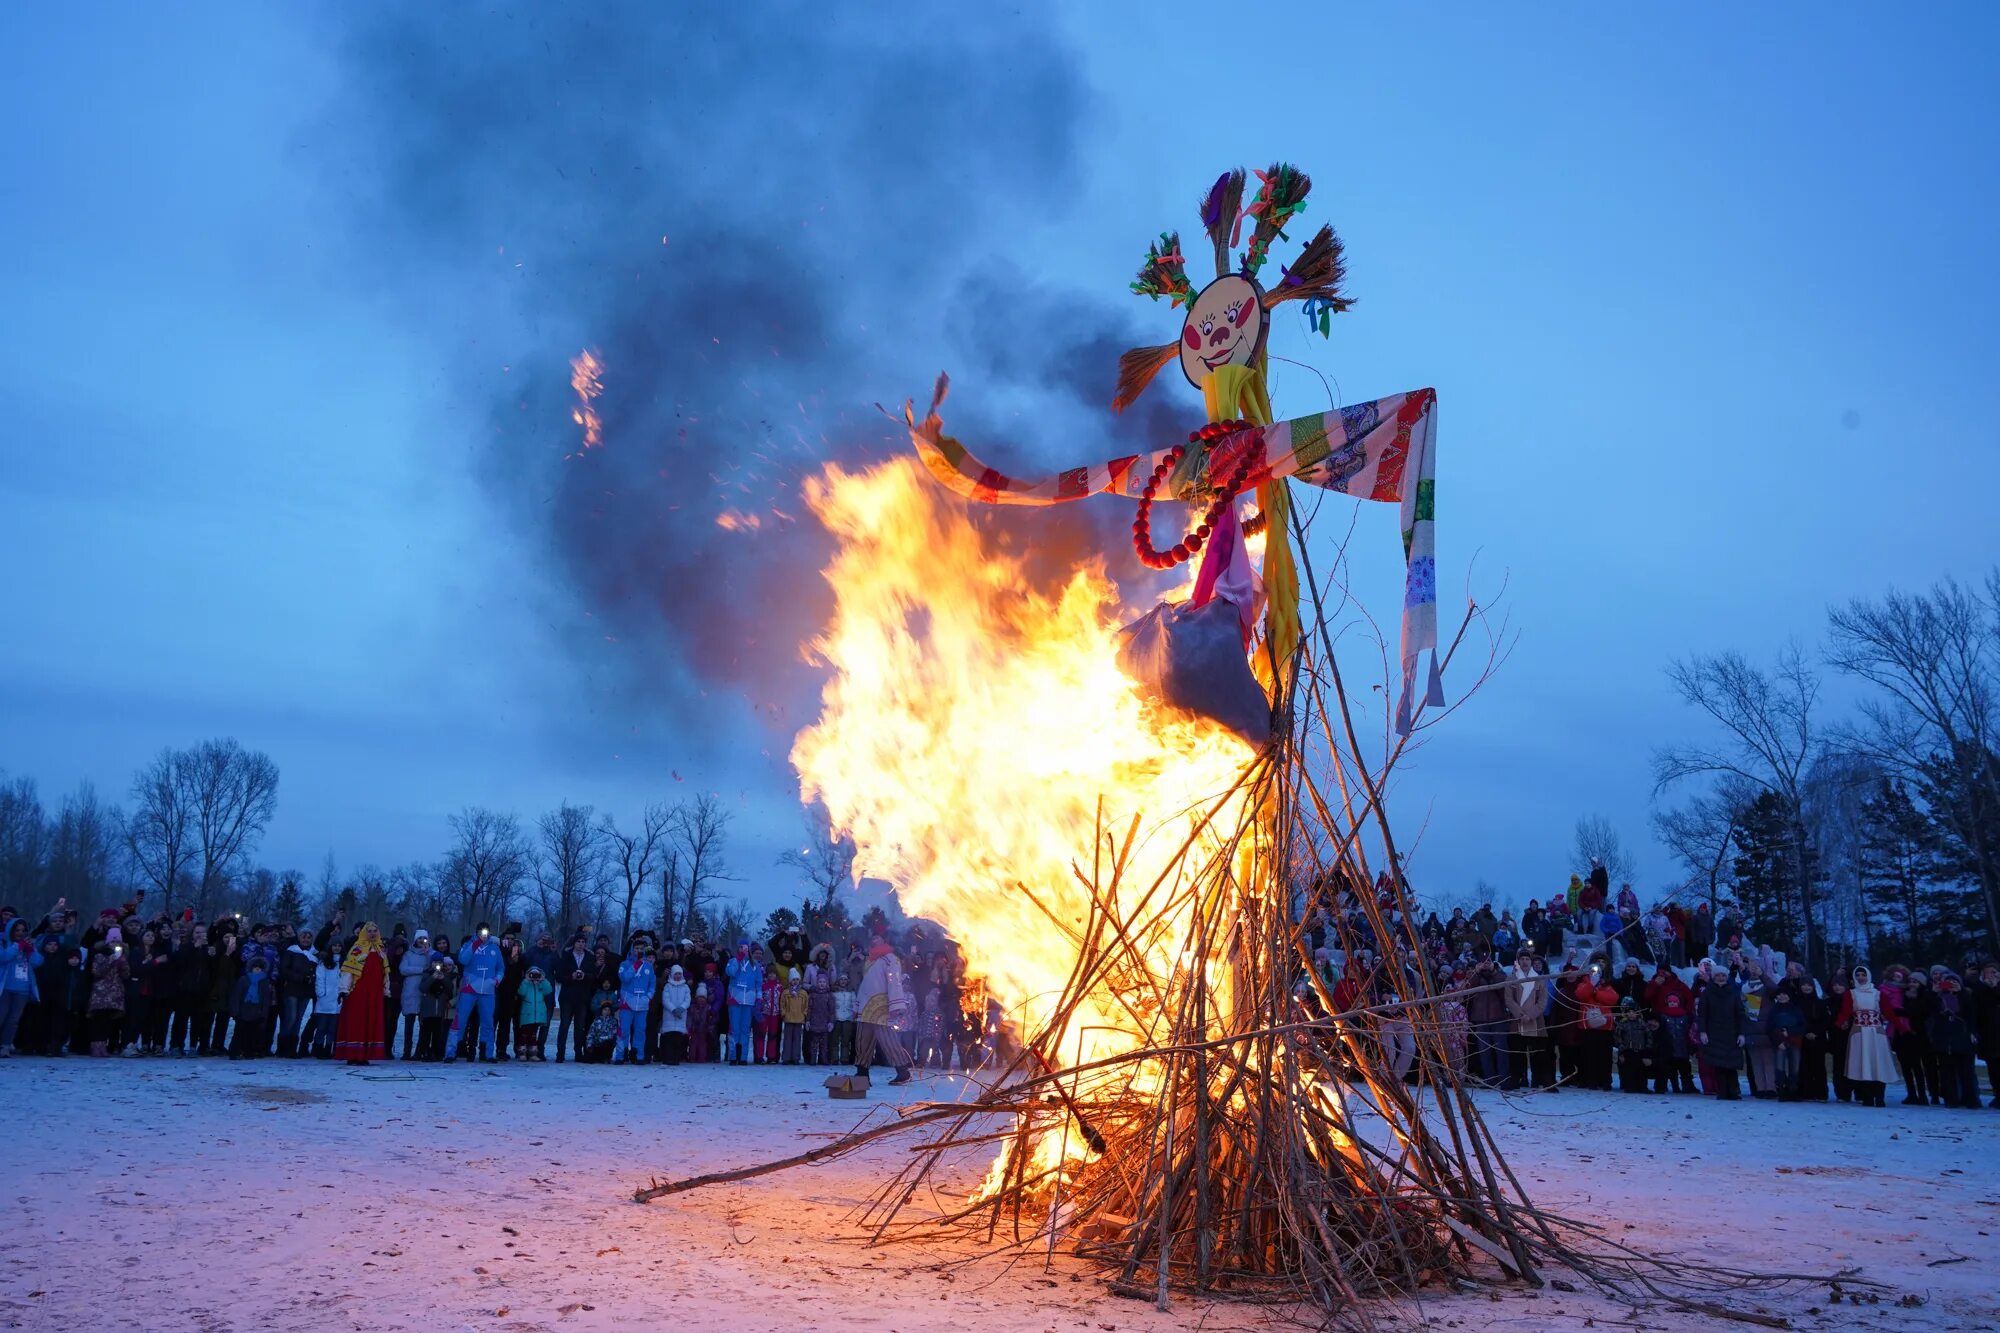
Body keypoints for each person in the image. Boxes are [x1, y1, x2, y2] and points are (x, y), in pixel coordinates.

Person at [853, 936, 914, 1085]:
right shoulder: (870, 960)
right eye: (872, 937)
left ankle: (903, 1072)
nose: (874, 940)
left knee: (888, 1039)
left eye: (878, 938)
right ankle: (862, 1074)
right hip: (866, 1006)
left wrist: (896, 1005)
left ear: (885, 941)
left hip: (881, 1005)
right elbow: (865, 984)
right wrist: (857, 1004)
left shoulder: (891, 959)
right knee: (862, 1039)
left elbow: (895, 984)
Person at [445, 924, 505, 1064]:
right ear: (477, 932)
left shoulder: (494, 948)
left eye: (486, 932)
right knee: (460, 1020)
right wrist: (476, 943)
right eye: (481, 932)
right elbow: (463, 960)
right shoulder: (469, 944)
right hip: (469, 988)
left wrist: (496, 981)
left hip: (488, 991)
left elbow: (501, 968)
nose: (484, 934)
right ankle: (451, 1052)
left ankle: (487, 1053)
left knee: (488, 1022)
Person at [1837, 965, 1895, 1107]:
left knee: (1879, 1063)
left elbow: (1889, 1013)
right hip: (1859, 1032)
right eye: (1858, 975)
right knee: (1863, 1063)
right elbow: (1846, 1011)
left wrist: (1903, 1028)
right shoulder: (1851, 994)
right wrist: (1837, 1024)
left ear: (1868, 976)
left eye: (1863, 975)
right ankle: (1867, 1097)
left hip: (1876, 1033)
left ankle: (1880, 1097)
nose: (1861, 978)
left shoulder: (1878, 993)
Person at [334, 923, 389, 1065]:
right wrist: (344, 989)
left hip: (374, 992)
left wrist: (386, 989)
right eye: (369, 931)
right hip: (358, 991)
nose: (372, 934)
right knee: (357, 1021)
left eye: (374, 931)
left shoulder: (380, 950)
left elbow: (385, 973)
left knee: (370, 1021)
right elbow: (348, 971)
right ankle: (353, 1054)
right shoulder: (357, 949)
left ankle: (365, 1054)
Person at [1694, 965, 1748, 1100]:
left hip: (1732, 1033)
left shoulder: (1734, 992)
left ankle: (1734, 1091)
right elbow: (1702, 1014)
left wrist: (1741, 1033)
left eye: (1723, 975)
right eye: (1717, 975)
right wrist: (1703, 1032)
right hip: (1714, 1032)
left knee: (1732, 1065)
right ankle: (1722, 1091)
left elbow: (1740, 1013)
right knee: (1719, 1065)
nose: (1720, 978)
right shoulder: (1707, 993)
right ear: (1713, 977)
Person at [1926, 972, 1979, 1108]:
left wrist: (1960, 993)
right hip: (1944, 1037)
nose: (1949, 985)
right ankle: (1951, 1099)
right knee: (1946, 1071)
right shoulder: (1938, 997)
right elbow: (1929, 1012)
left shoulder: (1965, 995)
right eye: (1947, 982)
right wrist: (1933, 994)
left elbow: (1971, 1013)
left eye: (1953, 982)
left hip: (1962, 1035)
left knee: (1966, 1071)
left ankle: (1970, 1099)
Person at [1503, 952, 1551, 1090]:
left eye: (1527, 959)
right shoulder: (1511, 978)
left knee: (1540, 1052)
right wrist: (1519, 1013)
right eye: (1522, 959)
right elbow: (1508, 999)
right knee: (1516, 1053)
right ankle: (1515, 1079)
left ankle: (1542, 1080)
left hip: (1536, 1021)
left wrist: (1530, 1015)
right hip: (1517, 1021)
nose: (1525, 961)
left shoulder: (1539, 979)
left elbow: (1542, 1001)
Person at [0, 920, 43, 1056]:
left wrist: (30, 951)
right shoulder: (4, 942)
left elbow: (38, 962)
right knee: (1, 1016)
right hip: (5, 987)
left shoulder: (28, 945)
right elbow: (3, 957)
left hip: (22, 988)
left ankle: (5, 1045)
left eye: (22, 930)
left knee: (13, 1019)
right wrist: (17, 947)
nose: (20, 933)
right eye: (17, 930)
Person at [555, 933, 599, 1063]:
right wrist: (571, 977)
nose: (581, 944)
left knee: (580, 1027)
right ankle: (560, 1053)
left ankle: (578, 1052)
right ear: (574, 943)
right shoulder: (566, 956)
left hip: (582, 997)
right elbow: (559, 976)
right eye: (578, 941)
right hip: (567, 995)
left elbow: (594, 976)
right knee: (564, 1025)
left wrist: (584, 976)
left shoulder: (589, 957)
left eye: (583, 942)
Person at [614, 942, 655, 1065]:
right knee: (624, 1030)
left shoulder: (648, 966)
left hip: (642, 1003)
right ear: (632, 950)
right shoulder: (624, 964)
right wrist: (635, 966)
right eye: (636, 948)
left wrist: (648, 997)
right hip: (627, 1002)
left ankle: (638, 1055)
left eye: (641, 948)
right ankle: (620, 1055)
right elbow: (624, 978)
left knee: (640, 1030)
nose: (639, 950)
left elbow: (652, 984)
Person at [87, 939, 129, 1057]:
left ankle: (103, 1045)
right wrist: (111, 959)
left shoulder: (121, 957)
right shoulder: (99, 956)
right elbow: (97, 972)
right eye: (112, 942)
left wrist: (122, 963)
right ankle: (95, 1045)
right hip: (101, 993)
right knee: (98, 1020)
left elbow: (126, 975)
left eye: (117, 943)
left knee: (108, 1021)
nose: (115, 945)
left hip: (115, 993)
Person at [724, 942, 761, 1066]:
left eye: (746, 948)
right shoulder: (733, 961)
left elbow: (758, 983)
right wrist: (738, 958)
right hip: (735, 998)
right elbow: (730, 972)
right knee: (734, 1029)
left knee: (745, 1029)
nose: (744, 950)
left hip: (749, 1000)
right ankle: (733, 1056)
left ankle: (743, 1056)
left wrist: (759, 999)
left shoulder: (755, 964)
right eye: (741, 948)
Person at [1971, 962, 2000, 1109]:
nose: (1991, 975)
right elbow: (1975, 1010)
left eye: (1994, 972)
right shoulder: (1979, 989)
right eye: (1988, 972)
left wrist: (1995, 987)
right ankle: (1997, 1094)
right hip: (1988, 1033)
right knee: (1993, 1066)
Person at [306, 948, 343, 1058]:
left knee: (332, 1028)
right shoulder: (323, 964)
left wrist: (341, 994)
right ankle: (318, 1048)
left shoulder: (343, 963)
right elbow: (319, 979)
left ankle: (328, 1048)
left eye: (339, 945)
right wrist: (321, 993)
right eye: (334, 945)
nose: (337, 948)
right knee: (321, 1027)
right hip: (324, 999)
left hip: (336, 1000)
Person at [1612, 996, 1652, 1092]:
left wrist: (1648, 1048)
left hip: (1641, 1050)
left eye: (1633, 1012)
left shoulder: (1642, 1023)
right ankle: (1629, 1086)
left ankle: (1642, 1087)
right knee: (1629, 1070)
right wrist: (1621, 1050)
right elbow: (1617, 1037)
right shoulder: (1623, 1023)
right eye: (1629, 1012)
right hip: (1628, 1050)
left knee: (1641, 1070)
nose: (1631, 1014)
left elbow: (1649, 1036)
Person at [516, 965, 554, 1061]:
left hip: (537, 1015)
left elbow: (549, 990)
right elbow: (521, 992)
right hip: (527, 1014)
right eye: (532, 974)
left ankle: (532, 1053)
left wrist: (543, 979)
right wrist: (526, 980)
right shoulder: (526, 984)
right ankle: (522, 1053)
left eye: (537, 974)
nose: (534, 976)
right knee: (524, 1034)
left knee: (533, 1034)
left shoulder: (541, 984)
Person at [657, 964, 690, 1065]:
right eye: (676, 974)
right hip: (669, 1016)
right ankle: (668, 1058)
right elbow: (665, 1000)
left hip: (681, 1017)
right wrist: (673, 1010)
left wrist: (681, 1009)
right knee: (669, 1040)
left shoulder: (685, 987)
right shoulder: (668, 986)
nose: (678, 976)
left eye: (679, 974)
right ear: (672, 974)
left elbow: (687, 1000)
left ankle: (676, 1059)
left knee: (678, 1040)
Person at [756, 964, 784, 1065]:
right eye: (770, 974)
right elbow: (759, 1000)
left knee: (772, 1036)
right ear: (767, 975)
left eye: (774, 974)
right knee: (761, 1035)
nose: (772, 976)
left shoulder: (779, 987)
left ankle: (771, 1056)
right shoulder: (763, 986)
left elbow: (782, 1000)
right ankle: (759, 1056)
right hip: (764, 1014)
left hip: (775, 1014)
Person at [779, 968, 809, 1065]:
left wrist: (804, 1014)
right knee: (787, 1039)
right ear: (790, 981)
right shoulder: (786, 992)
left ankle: (796, 1057)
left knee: (797, 1039)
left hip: (799, 1019)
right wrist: (783, 1013)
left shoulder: (803, 993)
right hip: (788, 1018)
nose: (795, 982)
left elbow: (806, 1005)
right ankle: (786, 1057)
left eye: (797, 979)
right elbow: (782, 1004)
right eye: (793, 980)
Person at [806, 969, 833, 1066]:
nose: (822, 984)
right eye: (820, 982)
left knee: (824, 1044)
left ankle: (823, 1060)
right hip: (814, 1022)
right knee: (814, 1044)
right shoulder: (813, 995)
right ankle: (813, 1060)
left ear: (826, 983)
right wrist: (808, 1020)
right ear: (817, 983)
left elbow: (831, 1010)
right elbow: (809, 1008)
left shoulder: (828, 995)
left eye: (824, 982)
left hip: (825, 1022)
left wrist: (831, 1022)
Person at [686, 970, 712, 1063]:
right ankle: (692, 1057)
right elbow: (689, 1018)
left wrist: (708, 1026)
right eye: (699, 997)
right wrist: (689, 1027)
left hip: (703, 1028)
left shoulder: (708, 1008)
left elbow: (710, 1018)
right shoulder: (692, 1007)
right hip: (694, 1028)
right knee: (693, 1043)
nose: (701, 999)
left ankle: (701, 1057)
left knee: (702, 1044)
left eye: (703, 997)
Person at [582, 998, 617, 1063]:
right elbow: (590, 1034)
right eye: (605, 1010)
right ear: (601, 1010)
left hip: (606, 1045)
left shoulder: (613, 1021)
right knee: (587, 1059)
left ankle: (606, 1057)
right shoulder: (596, 1020)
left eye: (608, 1010)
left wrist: (601, 1039)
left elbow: (612, 1035)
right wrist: (589, 1045)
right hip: (596, 1045)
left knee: (608, 1044)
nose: (607, 1012)